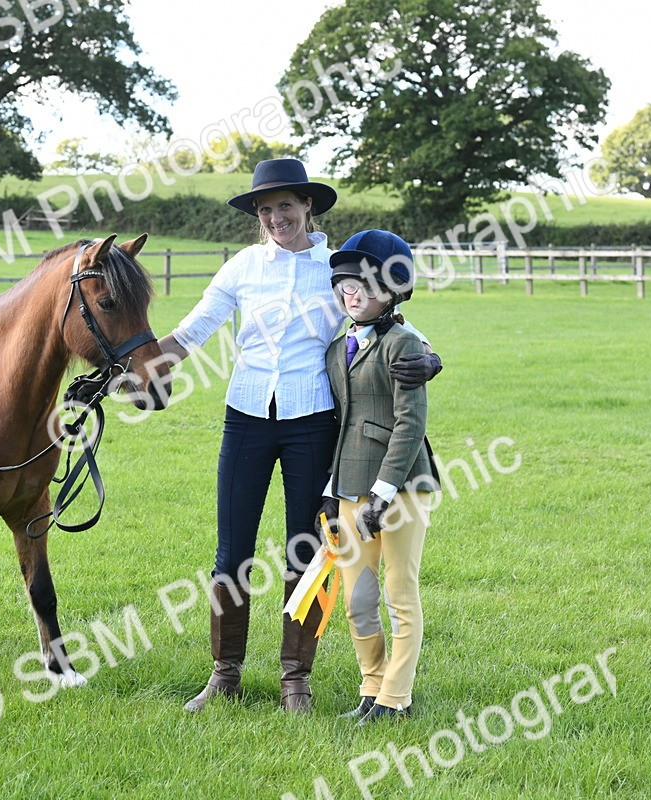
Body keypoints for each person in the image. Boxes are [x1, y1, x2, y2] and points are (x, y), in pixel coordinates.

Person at [155, 159, 442, 714]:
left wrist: (430, 357)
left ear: (308, 206)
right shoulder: (242, 266)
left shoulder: (333, 268)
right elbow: (195, 328)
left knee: (306, 551)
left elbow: (388, 320)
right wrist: (138, 365)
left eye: (285, 205)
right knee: (231, 551)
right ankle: (225, 674)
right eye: (265, 209)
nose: (275, 217)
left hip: (313, 422)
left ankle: (296, 680)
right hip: (246, 417)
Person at [315, 229, 440, 725]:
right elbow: (341, 423)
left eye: (366, 286)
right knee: (358, 598)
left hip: (401, 487)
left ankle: (396, 697)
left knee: (398, 593)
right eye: (346, 285)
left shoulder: (405, 344)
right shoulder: (336, 349)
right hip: (349, 487)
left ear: (393, 291)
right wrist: (331, 491)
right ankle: (372, 686)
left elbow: (411, 424)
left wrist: (383, 493)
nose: (353, 294)